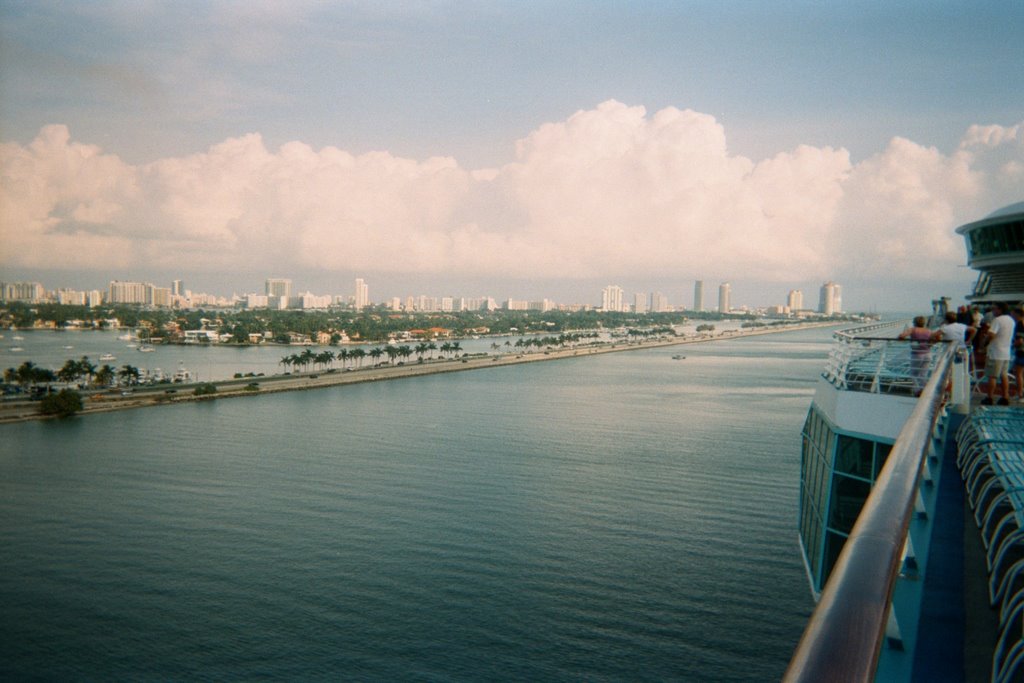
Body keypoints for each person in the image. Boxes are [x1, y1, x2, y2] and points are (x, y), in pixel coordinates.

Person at [982, 302, 1015, 405]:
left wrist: (984, 343)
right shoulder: (1011, 320)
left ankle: (989, 397)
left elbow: (991, 334)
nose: (993, 311)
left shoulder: (997, 320)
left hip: (995, 352)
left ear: (1000, 310)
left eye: (994, 309)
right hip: (1006, 352)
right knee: (1004, 375)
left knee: (992, 376)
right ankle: (1005, 397)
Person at [899, 316, 933, 396]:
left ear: (915, 323)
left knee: (913, 374)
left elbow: (902, 336)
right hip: (928, 354)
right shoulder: (928, 330)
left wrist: (902, 338)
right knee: (923, 374)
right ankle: (925, 390)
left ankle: (917, 390)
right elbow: (934, 339)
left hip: (917, 354)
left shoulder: (913, 330)